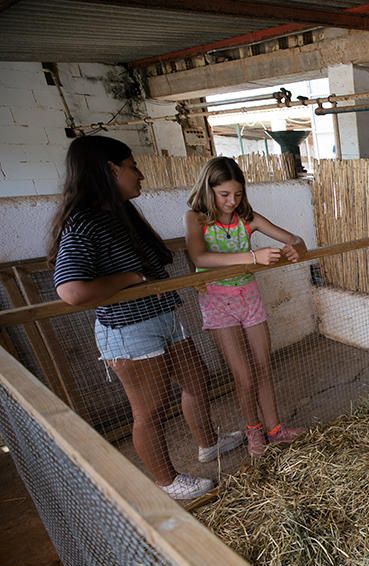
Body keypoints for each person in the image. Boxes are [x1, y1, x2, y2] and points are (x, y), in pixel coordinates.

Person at [50, 136, 242, 502]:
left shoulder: (118, 214)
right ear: (110, 170)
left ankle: (208, 443)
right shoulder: (84, 223)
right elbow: (71, 291)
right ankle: (166, 480)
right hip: (129, 329)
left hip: (162, 314)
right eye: (132, 165)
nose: (139, 174)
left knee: (196, 378)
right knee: (150, 408)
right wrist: (129, 279)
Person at [184, 157, 307, 457]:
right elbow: (200, 258)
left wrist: (296, 247)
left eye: (237, 194)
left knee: (264, 366)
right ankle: (253, 430)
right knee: (244, 376)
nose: (231, 201)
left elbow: (295, 239)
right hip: (217, 302)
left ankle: (275, 429)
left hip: (249, 298)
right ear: (208, 189)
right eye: (224, 194)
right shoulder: (196, 219)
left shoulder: (247, 218)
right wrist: (252, 258)